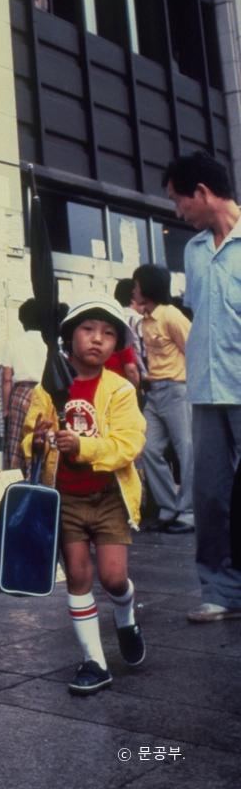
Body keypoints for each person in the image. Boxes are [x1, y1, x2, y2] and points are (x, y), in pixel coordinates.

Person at [24, 300, 147, 696]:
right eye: (88, 329)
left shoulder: (121, 390)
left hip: (108, 495)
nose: (98, 339)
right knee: (78, 576)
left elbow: (129, 444)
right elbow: (28, 438)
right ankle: (94, 661)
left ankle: (125, 616)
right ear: (69, 336)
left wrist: (83, 445)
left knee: (113, 578)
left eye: (108, 333)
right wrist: (39, 439)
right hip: (66, 501)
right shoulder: (49, 385)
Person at [163, 151, 241, 622]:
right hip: (207, 391)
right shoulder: (193, 251)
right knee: (210, 494)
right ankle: (220, 589)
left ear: (203, 193)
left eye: (178, 201)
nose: (178, 212)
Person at [132, 263, 194, 534]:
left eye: (136, 285)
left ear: (148, 287)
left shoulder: (171, 316)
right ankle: (169, 509)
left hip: (178, 391)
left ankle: (189, 514)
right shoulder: (145, 320)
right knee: (148, 448)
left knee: (187, 452)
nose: (133, 290)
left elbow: (194, 350)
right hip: (155, 393)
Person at [0, 299, 49, 472]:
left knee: (17, 442)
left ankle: (16, 481)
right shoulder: (51, 343)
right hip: (45, 392)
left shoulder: (13, 343)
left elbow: (6, 379)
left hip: (20, 394)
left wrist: (6, 409)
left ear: (22, 321)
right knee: (43, 439)